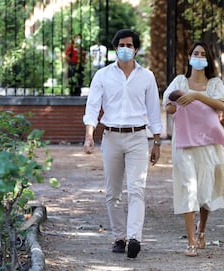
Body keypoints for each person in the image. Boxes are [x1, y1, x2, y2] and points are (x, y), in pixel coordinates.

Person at [83, 29, 163, 259]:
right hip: (112, 137)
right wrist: (89, 135)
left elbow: (154, 113)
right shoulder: (102, 76)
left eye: (129, 45)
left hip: (138, 137)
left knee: (137, 188)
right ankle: (119, 237)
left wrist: (156, 142)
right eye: (121, 45)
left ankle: (134, 238)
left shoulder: (146, 76)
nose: (125, 49)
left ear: (136, 49)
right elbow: (92, 108)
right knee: (113, 192)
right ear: (115, 48)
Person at [162, 41, 224, 257]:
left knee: (205, 192)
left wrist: (196, 96)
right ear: (189, 57)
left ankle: (202, 230)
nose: (198, 56)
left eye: (203, 53)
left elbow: (223, 105)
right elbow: (168, 105)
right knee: (188, 188)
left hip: (208, 144)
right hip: (184, 144)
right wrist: (177, 104)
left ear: (208, 59)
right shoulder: (180, 81)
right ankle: (190, 242)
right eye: (195, 53)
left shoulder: (214, 84)